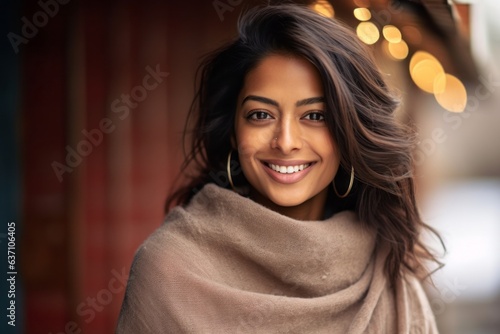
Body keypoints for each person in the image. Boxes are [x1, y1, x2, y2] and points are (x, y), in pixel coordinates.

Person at [116, 4, 442, 333]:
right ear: (232, 129)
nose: (285, 142)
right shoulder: (170, 272)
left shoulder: (388, 273)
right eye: (261, 115)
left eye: (315, 116)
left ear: (348, 134)